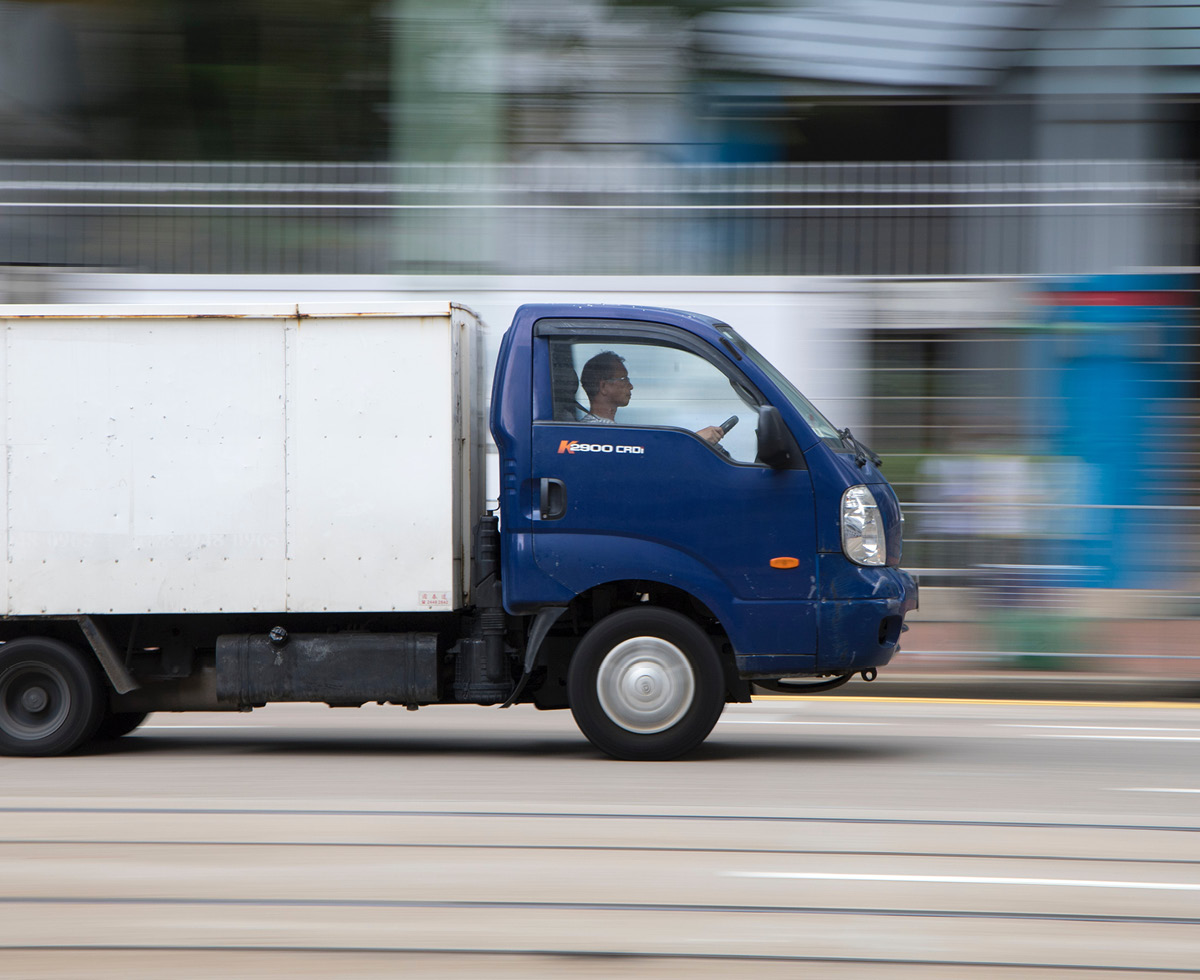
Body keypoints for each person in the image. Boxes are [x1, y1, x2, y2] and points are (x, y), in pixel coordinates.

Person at [578, 351, 725, 444]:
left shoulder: (600, 429)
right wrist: (696, 441)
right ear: (604, 386)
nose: (630, 386)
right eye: (624, 379)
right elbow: (651, 457)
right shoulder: (598, 434)